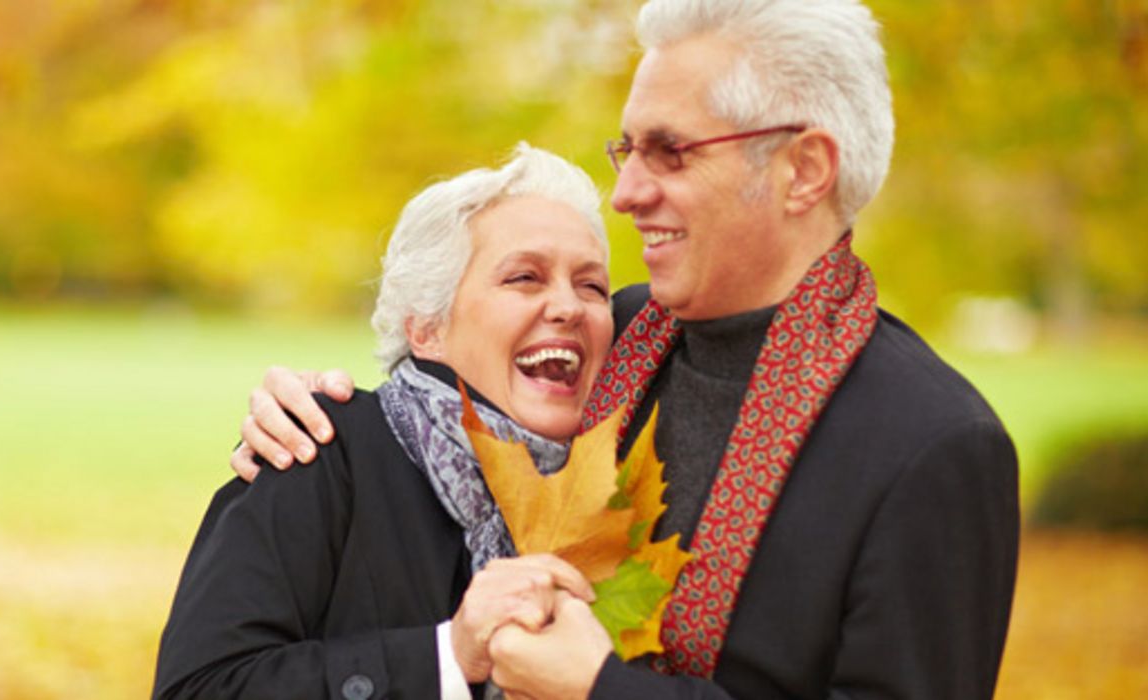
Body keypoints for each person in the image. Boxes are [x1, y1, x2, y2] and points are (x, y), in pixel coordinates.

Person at [231, 1, 1022, 698]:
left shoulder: (932, 446)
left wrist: (600, 691)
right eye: (628, 151)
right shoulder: (615, 338)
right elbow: (441, 376)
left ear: (802, 171)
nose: (626, 194)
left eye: (670, 152)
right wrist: (303, 408)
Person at [153, 144, 619, 699]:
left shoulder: (630, 478)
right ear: (426, 329)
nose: (569, 306)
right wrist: (450, 656)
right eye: (524, 278)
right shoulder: (319, 447)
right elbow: (199, 690)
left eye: (592, 286)